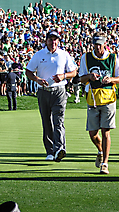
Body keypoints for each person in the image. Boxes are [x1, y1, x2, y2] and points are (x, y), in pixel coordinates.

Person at [26, 29, 77, 162]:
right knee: (46, 121)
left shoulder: (64, 55)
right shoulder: (39, 54)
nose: (53, 42)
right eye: (50, 39)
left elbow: (74, 72)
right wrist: (37, 79)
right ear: (46, 41)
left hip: (59, 91)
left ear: (58, 41)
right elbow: (28, 71)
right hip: (43, 91)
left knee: (58, 121)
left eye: (55, 39)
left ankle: (59, 149)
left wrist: (63, 76)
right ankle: (50, 151)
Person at [79, 33, 119, 174]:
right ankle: (100, 151)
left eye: (100, 44)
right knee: (93, 133)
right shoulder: (86, 58)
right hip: (93, 98)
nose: (98, 47)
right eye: (95, 44)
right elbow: (81, 78)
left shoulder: (113, 57)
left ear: (105, 44)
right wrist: (89, 77)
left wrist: (110, 80)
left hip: (108, 98)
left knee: (106, 131)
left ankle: (105, 163)